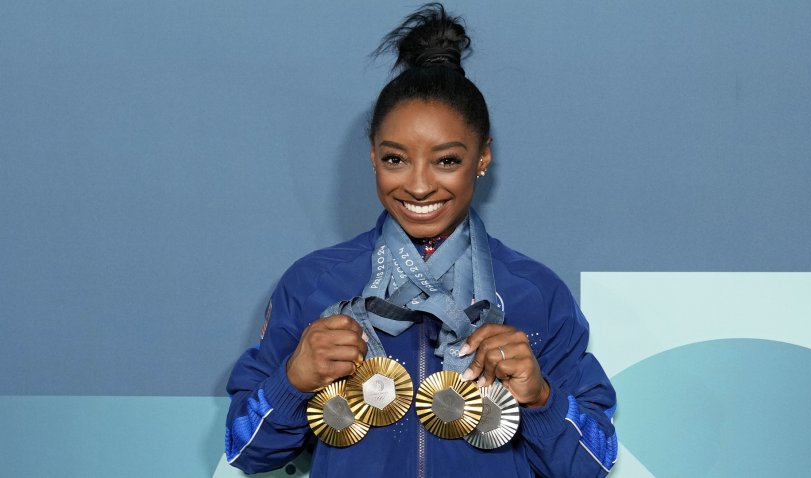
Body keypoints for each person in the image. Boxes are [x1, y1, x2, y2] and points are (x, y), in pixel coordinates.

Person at [224, 4, 617, 477]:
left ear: (482, 157)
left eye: (446, 161)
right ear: (373, 156)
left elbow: (595, 463)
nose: (418, 185)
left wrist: (542, 398)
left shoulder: (535, 293)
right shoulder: (315, 284)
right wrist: (292, 381)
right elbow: (244, 450)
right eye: (396, 159)